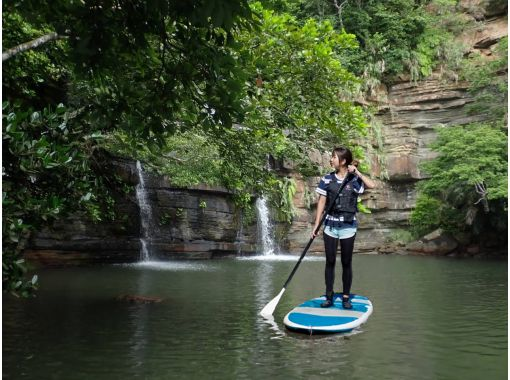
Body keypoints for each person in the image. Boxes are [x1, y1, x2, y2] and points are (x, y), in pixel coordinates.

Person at [311, 147, 376, 309]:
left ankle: (346, 297)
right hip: (330, 226)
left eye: (333, 157)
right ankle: (329, 295)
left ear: (343, 161)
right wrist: (316, 224)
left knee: (346, 262)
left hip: (348, 226)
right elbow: (321, 202)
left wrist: (357, 173)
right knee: (330, 261)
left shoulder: (353, 180)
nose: (331, 159)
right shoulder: (327, 179)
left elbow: (371, 185)